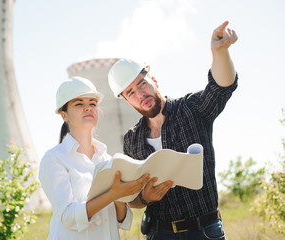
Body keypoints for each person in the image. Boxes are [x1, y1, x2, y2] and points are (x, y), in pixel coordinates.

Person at [107, 21, 238, 239]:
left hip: (205, 230)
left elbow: (221, 87)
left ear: (154, 79)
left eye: (142, 84)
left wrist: (219, 52)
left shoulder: (192, 109)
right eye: (131, 93)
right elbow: (132, 197)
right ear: (127, 102)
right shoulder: (132, 139)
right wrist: (146, 198)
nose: (140, 94)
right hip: (159, 233)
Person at [39, 76, 153, 239]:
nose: (88, 108)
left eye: (92, 103)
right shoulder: (54, 159)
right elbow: (68, 217)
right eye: (79, 103)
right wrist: (113, 194)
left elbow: (122, 220)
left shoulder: (108, 160)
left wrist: (120, 195)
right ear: (64, 115)